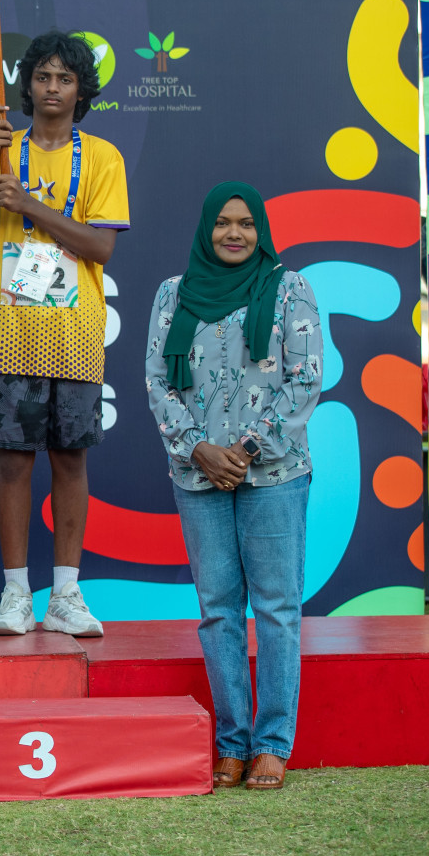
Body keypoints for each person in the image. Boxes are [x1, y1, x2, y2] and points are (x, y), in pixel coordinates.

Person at [145, 181, 322, 791]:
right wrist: (199, 448)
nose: (234, 234)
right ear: (205, 228)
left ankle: (272, 742)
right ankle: (232, 742)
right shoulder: (174, 294)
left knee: (275, 609)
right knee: (218, 611)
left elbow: (305, 381)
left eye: (246, 223)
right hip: (198, 474)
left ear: (261, 229)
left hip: (272, 473)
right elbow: (157, 384)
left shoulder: (289, 287)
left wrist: (242, 451)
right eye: (222, 222)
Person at [0, 29, 129, 638]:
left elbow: (101, 246)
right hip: (9, 327)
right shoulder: (1, 150)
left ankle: (65, 594)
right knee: (12, 461)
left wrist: (31, 206)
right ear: (25, 85)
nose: (52, 87)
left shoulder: (103, 157)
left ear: (81, 89)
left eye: (65, 78)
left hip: (77, 331)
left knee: (69, 460)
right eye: (42, 77)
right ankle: (15, 595)